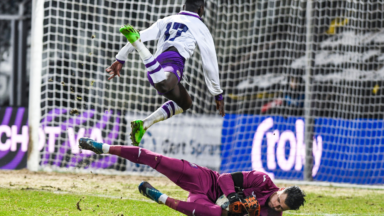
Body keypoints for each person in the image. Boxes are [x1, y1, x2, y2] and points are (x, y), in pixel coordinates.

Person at [79, 138, 306, 216]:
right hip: (208, 181)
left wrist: (234, 211)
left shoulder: (270, 215)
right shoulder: (263, 180)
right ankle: (105, 148)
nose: (275, 204)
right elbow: (224, 179)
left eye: (279, 207)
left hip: (207, 204)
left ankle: (160, 198)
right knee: (159, 160)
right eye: (278, 199)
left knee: (214, 214)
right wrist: (234, 198)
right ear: (280, 189)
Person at [106, 0, 225, 146]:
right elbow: (210, 62)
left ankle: (143, 124)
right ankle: (139, 47)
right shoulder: (200, 27)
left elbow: (140, 34)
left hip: (155, 67)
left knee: (185, 103)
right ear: (201, 9)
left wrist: (121, 58)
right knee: (164, 85)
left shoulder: (167, 20)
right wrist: (217, 93)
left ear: (183, 6)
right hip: (172, 63)